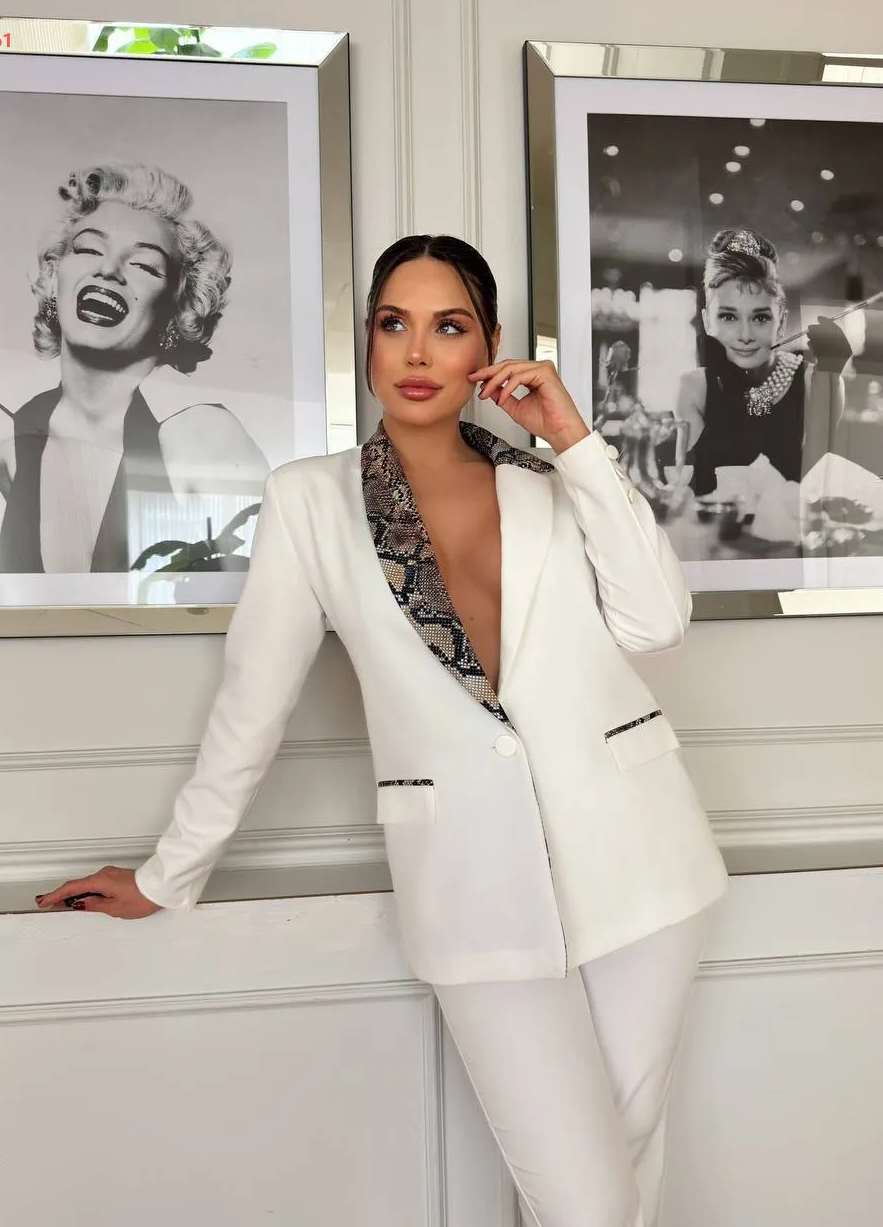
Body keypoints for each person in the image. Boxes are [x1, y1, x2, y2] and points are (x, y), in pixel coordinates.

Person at [37, 234, 729, 1227]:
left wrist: (575, 440)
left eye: (448, 327)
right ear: (365, 340)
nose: (415, 351)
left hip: (643, 862)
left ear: (488, 345)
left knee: (624, 1172)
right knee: (589, 1204)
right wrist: (166, 873)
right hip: (472, 886)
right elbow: (253, 700)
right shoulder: (309, 499)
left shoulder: (550, 480)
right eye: (393, 323)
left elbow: (656, 623)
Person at [0, 161, 269, 574]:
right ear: (54, 277)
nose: (108, 270)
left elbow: (263, 597)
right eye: (89, 249)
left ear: (180, 307)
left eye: (143, 265)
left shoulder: (203, 439)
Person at [677, 227, 840, 497]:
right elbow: (687, 490)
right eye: (728, 317)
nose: (745, 336)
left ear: (782, 322)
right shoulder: (694, 388)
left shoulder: (818, 383)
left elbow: (820, 494)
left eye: (760, 317)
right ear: (707, 321)